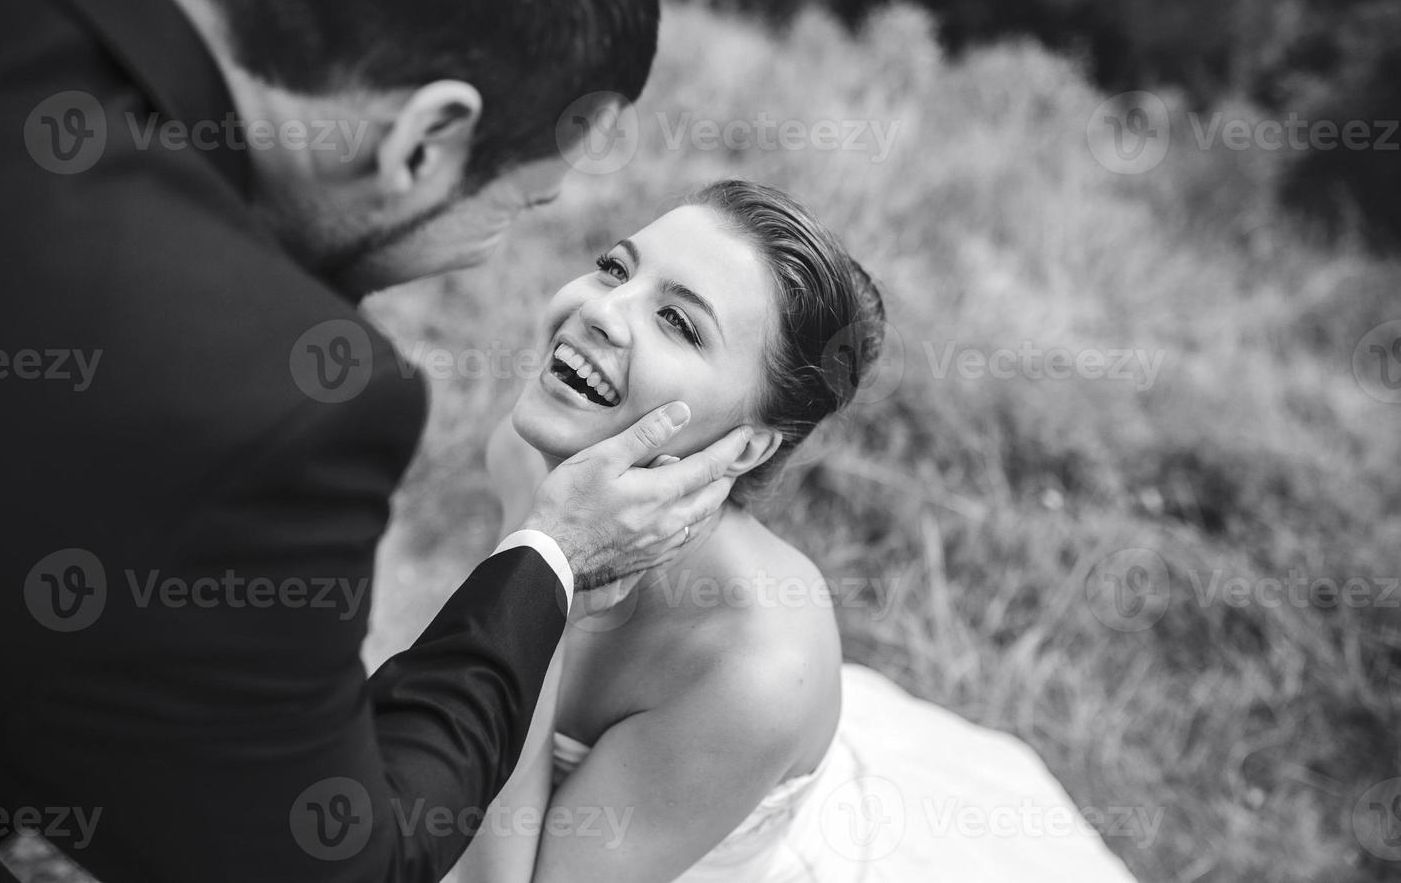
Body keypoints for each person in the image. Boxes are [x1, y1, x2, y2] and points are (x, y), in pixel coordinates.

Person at [0, 0, 749, 881]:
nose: (494, 251)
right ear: (426, 140)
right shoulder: (271, 401)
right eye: (519, 206)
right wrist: (551, 558)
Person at [453, 181, 1142, 882]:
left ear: (749, 448)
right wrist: (544, 567)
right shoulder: (530, 451)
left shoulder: (752, 668)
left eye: (679, 323)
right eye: (616, 269)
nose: (602, 311)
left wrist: (538, 586)